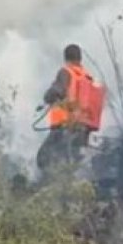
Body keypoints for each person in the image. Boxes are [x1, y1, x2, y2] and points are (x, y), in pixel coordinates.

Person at [36, 44, 93, 173]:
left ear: (66, 58)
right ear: (80, 58)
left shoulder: (66, 73)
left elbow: (56, 91)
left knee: (43, 159)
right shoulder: (87, 77)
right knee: (72, 164)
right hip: (83, 130)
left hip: (64, 127)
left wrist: (47, 98)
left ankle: (48, 188)